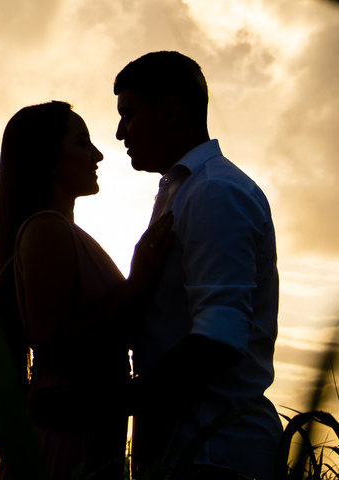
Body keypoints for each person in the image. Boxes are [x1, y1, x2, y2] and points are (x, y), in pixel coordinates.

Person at [0, 101, 174, 480]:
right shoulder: (46, 230)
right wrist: (136, 285)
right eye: (82, 142)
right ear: (49, 156)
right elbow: (52, 344)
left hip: (84, 431)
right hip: (63, 435)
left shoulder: (61, 233)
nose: (98, 154)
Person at [114, 52, 281, 480]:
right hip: (187, 453)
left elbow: (219, 339)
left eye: (129, 115)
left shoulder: (214, 192)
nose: (119, 133)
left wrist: (109, 404)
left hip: (214, 457)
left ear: (170, 112)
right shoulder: (182, 189)